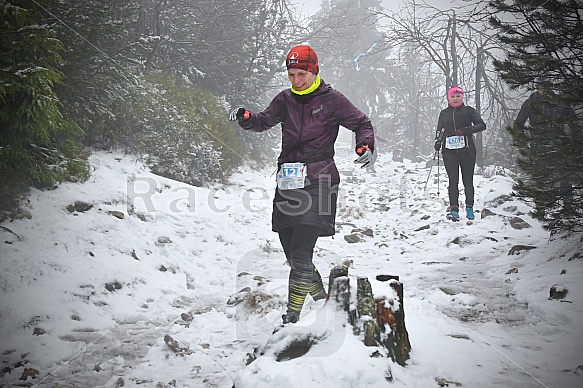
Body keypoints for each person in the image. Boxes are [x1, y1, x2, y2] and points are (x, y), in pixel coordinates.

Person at [229, 44, 375, 324]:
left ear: (315, 71)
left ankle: (291, 318)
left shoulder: (332, 100)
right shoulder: (284, 99)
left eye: (302, 74)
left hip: (320, 179)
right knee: (294, 255)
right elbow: (264, 121)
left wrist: (364, 145)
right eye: (292, 74)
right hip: (288, 182)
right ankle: (325, 304)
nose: (296, 80)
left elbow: (361, 122)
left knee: (302, 250)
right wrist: (246, 118)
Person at [514, 77, 580, 212]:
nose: (545, 90)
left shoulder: (560, 103)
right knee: (541, 175)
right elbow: (519, 123)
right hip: (539, 143)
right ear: (538, 88)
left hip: (559, 143)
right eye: (542, 87)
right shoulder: (530, 103)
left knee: (565, 175)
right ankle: (541, 206)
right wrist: (522, 140)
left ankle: (568, 206)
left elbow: (573, 122)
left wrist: (578, 138)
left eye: (547, 87)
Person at [434, 86, 486, 221]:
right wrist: (438, 142)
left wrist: (468, 130)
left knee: (467, 180)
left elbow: (482, 125)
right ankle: (454, 208)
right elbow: (440, 129)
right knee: (453, 180)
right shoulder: (444, 113)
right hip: (449, 151)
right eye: (453, 96)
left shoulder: (469, 111)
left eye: (458, 96)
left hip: (467, 151)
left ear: (462, 97)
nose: (455, 99)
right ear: (448, 98)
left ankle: (469, 207)